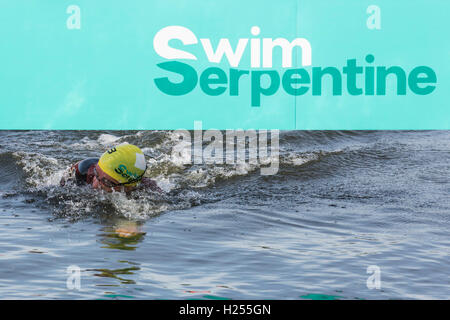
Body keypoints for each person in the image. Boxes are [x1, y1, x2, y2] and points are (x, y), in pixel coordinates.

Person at [60, 144, 162, 193]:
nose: (95, 183)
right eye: (96, 172)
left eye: (106, 182)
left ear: (128, 187)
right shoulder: (82, 169)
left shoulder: (145, 190)